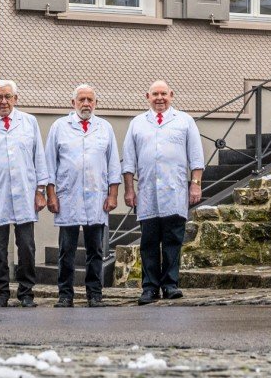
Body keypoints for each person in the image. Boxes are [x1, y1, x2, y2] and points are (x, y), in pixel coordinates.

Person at [120, 79, 204, 305]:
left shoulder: (184, 121)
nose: (159, 98)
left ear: (171, 95)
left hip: (175, 191)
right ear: (147, 97)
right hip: (147, 193)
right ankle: (149, 287)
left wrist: (195, 184)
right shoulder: (137, 123)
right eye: (155, 94)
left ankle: (170, 284)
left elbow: (196, 157)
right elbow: (129, 161)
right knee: (148, 242)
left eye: (163, 94)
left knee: (172, 240)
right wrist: (129, 190)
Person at [0, 79, 50, 308]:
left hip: (25, 193)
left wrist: (40, 191)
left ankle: (26, 293)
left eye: (8, 97)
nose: (4, 101)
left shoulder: (29, 122)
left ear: (16, 98)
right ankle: (1, 293)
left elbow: (39, 157)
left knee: (26, 247)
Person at [44, 84, 120, 308]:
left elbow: (113, 165)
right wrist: (51, 195)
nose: (86, 104)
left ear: (95, 103)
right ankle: (65, 294)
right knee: (66, 250)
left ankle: (94, 294)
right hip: (68, 197)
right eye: (81, 100)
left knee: (95, 250)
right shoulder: (59, 127)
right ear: (73, 103)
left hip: (97, 197)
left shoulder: (105, 128)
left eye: (90, 100)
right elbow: (49, 164)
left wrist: (113, 195)